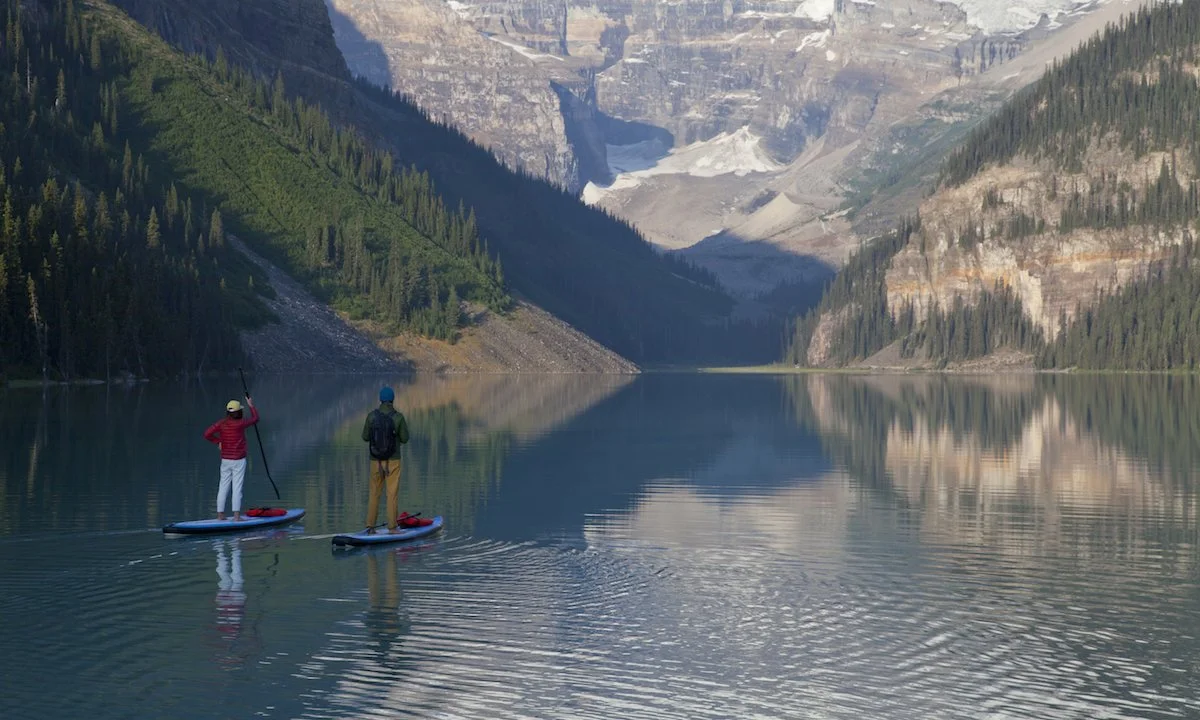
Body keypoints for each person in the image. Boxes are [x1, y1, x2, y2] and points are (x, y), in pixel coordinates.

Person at [362, 386, 410, 534]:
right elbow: (405, 439)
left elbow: (365, 437)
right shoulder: (399, 417)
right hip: (393, 461)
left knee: (374, 493)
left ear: (380, 399)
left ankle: (370, 527)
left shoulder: (371, 416)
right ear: (392, 399)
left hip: (375, 461)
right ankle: (392, 527)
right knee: (392, 494)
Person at [203, 395, 260, 521]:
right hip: (239, 460)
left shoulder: (221, 423)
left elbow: (207, 434)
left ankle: (220, 515)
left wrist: (218, 442)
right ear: (239, 412)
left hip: (225, 460)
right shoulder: (241, 423)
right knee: (237, 487)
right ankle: (236, 517)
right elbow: (255, 418)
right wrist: (251, 405)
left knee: (223, 486)